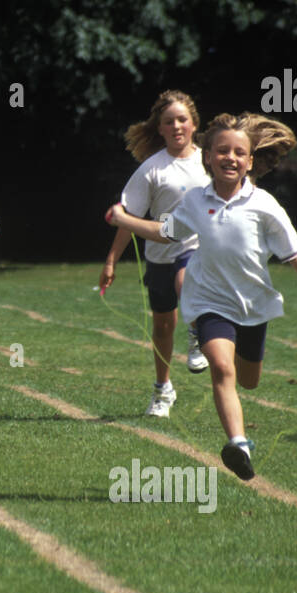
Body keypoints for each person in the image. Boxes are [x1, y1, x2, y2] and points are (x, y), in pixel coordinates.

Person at [106, 112, 297, 481]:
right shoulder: (194, 202)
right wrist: (125, 221)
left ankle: (239, 434)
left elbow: (295, 254)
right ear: (208, 158)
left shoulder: (264, 205)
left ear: (250, 161)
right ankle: (239, 444)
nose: (229, 158)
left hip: (252, 305)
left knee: (248, 380)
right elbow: (165, 231)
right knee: (221, 368)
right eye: (221, 151)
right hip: (208, 302)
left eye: (238, 152)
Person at [100, 90, 211, 419]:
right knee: (162, 327)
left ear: (194, 124)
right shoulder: (152, 169)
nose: (177, 126)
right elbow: (128, 217)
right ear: (159, 128)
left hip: (197, 249)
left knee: (185, 279)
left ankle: (197, 336)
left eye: (182, 120)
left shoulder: (209, 160)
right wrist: (110, 261)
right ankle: (163, 389)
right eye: (169, 122)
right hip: (159, 253)